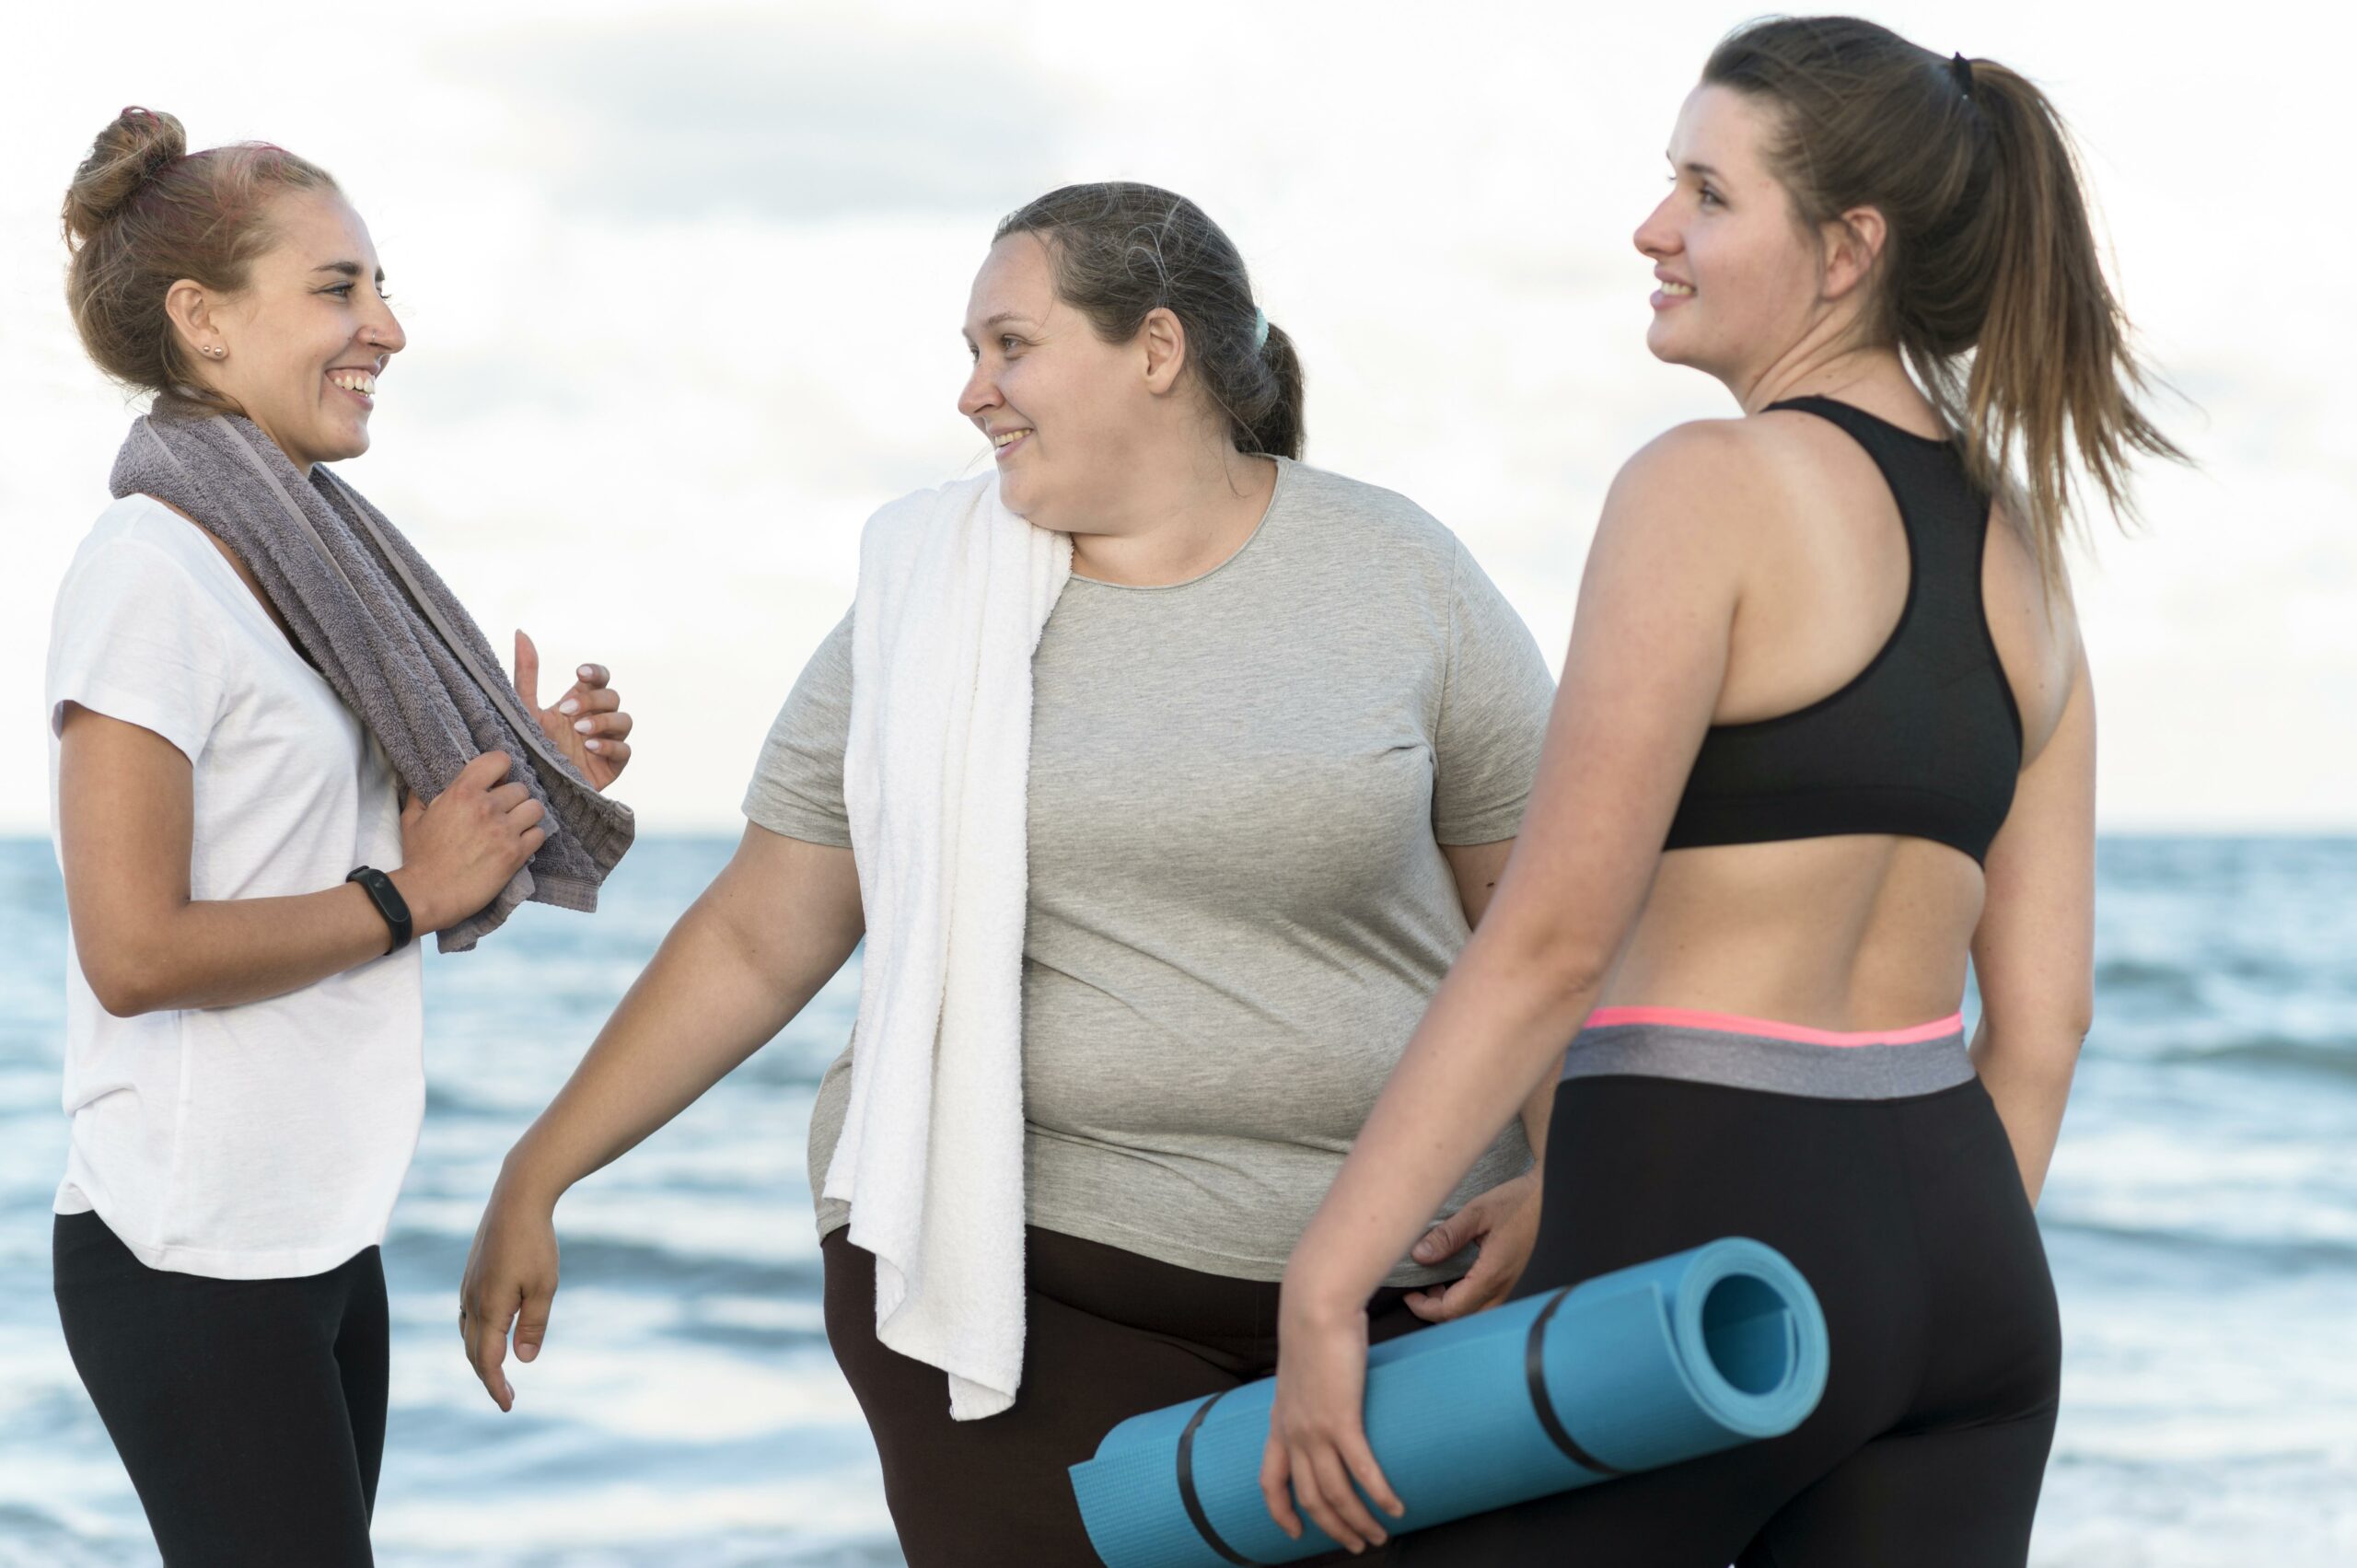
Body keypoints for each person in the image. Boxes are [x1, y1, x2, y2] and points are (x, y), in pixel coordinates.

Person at [459, 181, 1558, 1565]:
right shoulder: (930, 596)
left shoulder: (1402, 573)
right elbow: (759, 932)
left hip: (1420, 1284)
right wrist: (538, 1169)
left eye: (1010, 346)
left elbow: (1551, 922)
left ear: (1156, 350)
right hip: (1028, 1287)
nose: (974, 394)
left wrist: (1573, 1174)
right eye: (973, 355)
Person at [1264, 18, 2186, 1566]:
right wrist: (1896, 1289)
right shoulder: (2030, 558)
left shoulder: (1706, 489)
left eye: (1706, 191)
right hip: (1968, 1290)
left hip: (1707, 1247)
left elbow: (1551, 940)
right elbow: (2043, 1021)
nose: (1654, 228)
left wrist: (1322, 1286)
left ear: (1845, 252)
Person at [47, 108, 637, 1567]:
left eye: (379, 288)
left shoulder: (294, 563)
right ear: (205, 322)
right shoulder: (150, 570)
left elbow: (298, 832)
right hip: (190, 1252)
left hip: (318, 1231)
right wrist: (404, 892)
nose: (385, 326)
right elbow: (131, 951)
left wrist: (519, 781)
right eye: (338, 289)